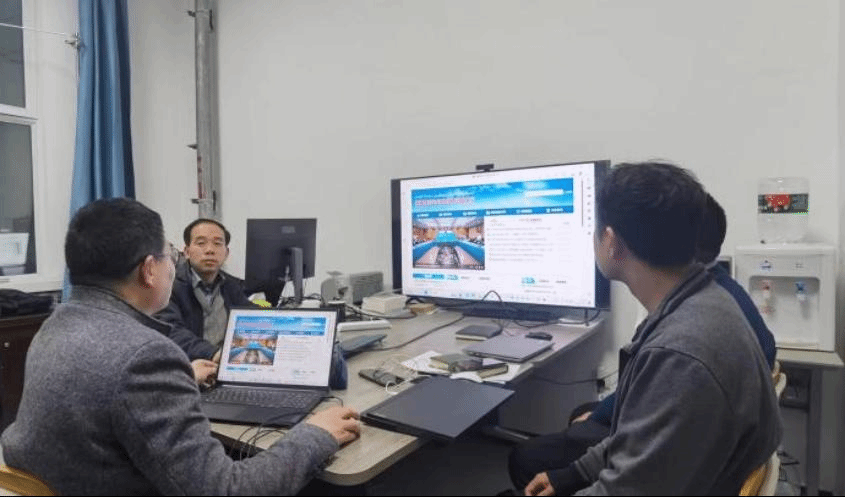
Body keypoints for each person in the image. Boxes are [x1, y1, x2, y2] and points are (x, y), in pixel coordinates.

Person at [1, 198, 360, 495]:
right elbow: (227, 489)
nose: (175, 264)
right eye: (170, 254)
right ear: (149, 270)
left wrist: (180, 376)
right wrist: (316, 433)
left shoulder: (56, 324)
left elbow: (105, 388)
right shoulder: (145, 356)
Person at [522, 162, 781, 495]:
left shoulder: (680, 353)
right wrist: (575, 473)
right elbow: (640, 433)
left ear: (611, 242)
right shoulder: (707, 299)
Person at [155, 218, 348, 389]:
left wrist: (299, 328)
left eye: (217, 243)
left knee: (320, 368)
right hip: (194, 374)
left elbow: (253, 316)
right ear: (187, 252)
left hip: (230, 369)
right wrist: (215, 353)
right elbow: (171, 331)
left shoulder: (228, 285)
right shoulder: (169, 287)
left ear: (226, 253)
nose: (210, 250)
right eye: (201, 243)